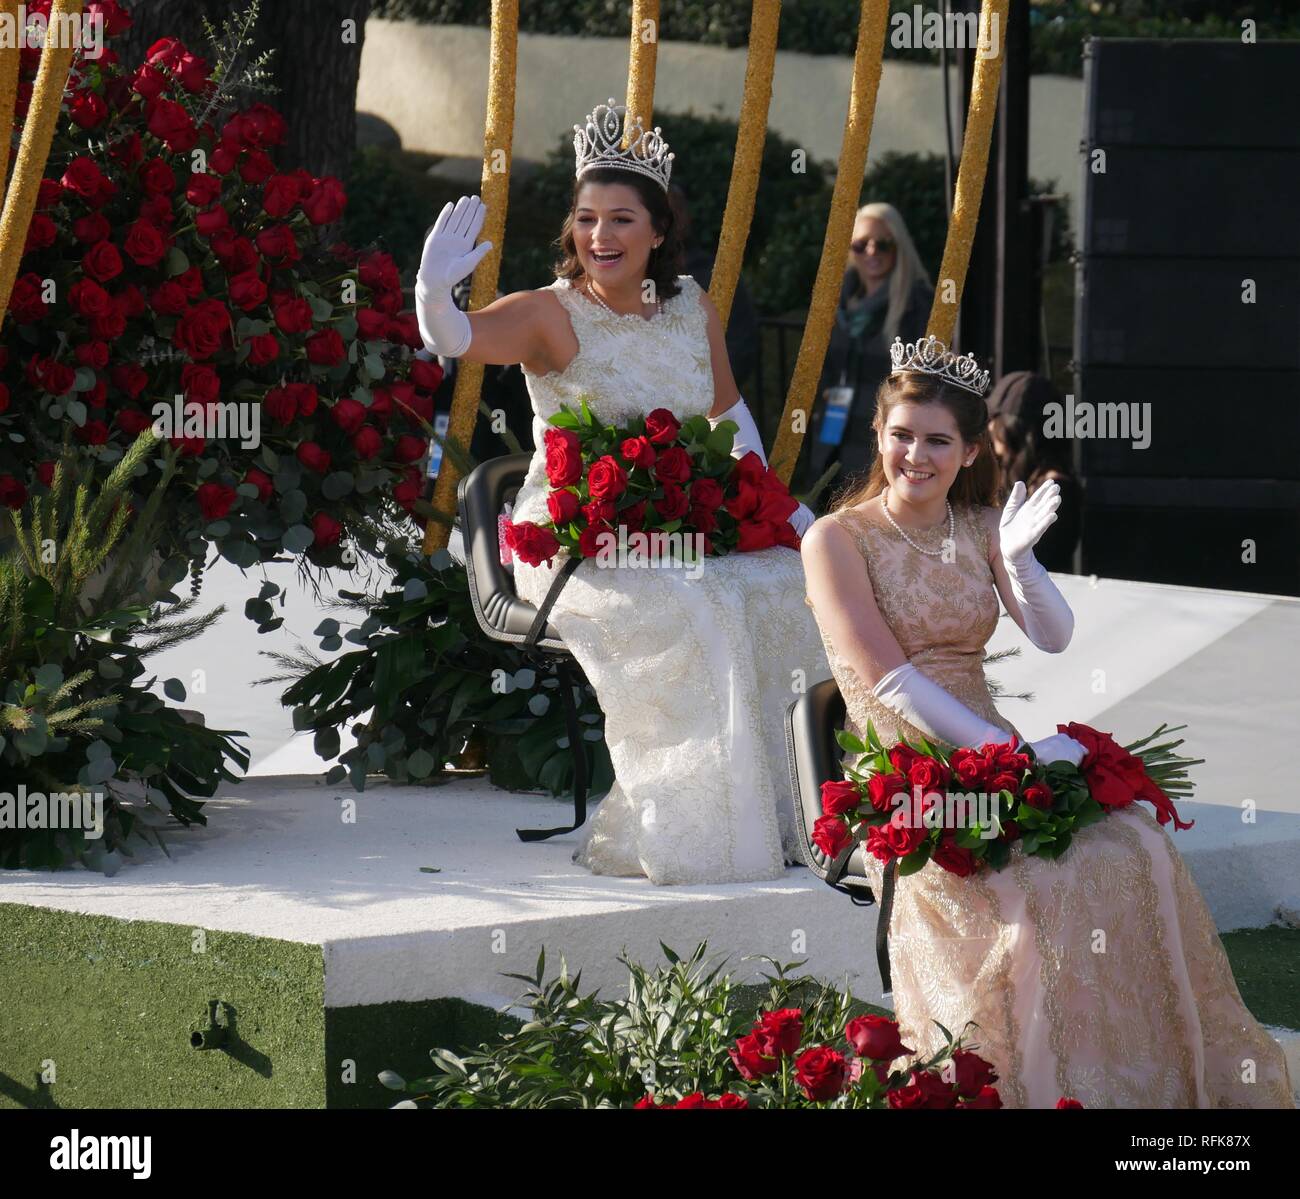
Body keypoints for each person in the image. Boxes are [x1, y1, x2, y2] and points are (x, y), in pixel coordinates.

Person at [798, 334, 1294, 1108]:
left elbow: (1055, 634)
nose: (916, 455)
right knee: (1038, 875)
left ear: (969, 450)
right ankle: (1027, 1078)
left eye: (938, 440)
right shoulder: (835, 538)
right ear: (879, 435)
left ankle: (1126, 1078)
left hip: (991, 753)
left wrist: (1022, 564)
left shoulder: (978, 522)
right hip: (906, 769)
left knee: (1134, 844)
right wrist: (1011, 756)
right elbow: (887, 677)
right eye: (902, 435)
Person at [414, 98, 826, 885]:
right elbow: (460, 340)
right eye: (587, 218)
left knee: (783, 587)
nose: (599, 236)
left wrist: (790, 514)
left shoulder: (690, 307)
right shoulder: (547, 313)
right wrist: (435, 299)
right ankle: (689, 828)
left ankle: (779, 816)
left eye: (621, 220)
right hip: (574, 536)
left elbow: (728, 418)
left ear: (658, 231)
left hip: (683, 524)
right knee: (695, 604)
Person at [804, 203, 933, 493]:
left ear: (899, 247)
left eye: (883, 244)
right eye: (861, 245)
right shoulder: (837, 301)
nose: (872, 252)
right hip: (834, 429)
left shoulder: (917, 303)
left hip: (883, 437)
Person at [986, 370, 1081, 572]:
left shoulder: (1055, 489)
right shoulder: (1015, 479)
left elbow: (1038, 561)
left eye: (996, 418)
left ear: (1017, 428)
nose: (991, 426)